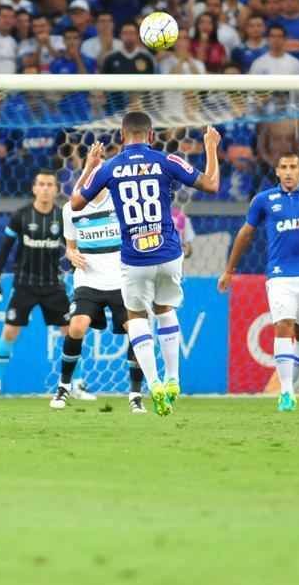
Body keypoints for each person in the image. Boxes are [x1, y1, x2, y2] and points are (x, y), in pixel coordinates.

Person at [70, 112, 221, 416]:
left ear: (122, 137)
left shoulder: (110, 167)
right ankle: (174, 377)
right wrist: (211, 146)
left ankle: (154, 385)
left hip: (134, 257)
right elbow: (212, 184)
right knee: (166, 309)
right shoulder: (168, 160)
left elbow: (75, 203)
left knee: (137, 315)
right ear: (151, 136)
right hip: (168, 253)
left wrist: (89, 168)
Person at [218, 152, 299, 412]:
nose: (288, 171)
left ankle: (292, 384)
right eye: (283, 167)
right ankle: (287, 392)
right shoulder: (264, 200)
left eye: (293, 167)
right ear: (277, 172)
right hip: (280, 275)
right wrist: (229, 270)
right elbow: (246, 233)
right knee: (283, 325)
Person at [0, 170, 81, 401]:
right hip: (24, 284)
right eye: (41, 184)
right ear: (34, 188)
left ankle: (77, 384)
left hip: (53, 285)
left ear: (56, 189)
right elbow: (5, 249)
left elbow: (73, 250)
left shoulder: (62, 217)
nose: (46, 188)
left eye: (50, 184)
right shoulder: (21, 216)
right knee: (9, 331)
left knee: (71, 332)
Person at [58, 187, 139, 412]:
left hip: (121, 281)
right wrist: (72, 254)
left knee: (137, 331)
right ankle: (63, 387)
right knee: (76, 326)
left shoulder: (122, 202)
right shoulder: (71, 208)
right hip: (88, 281)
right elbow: (70, 248)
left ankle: (135, 394)